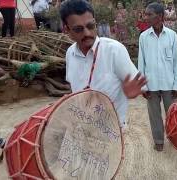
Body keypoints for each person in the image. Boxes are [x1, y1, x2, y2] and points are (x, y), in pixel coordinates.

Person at [60, 0, 147, 129]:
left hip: (111, 133)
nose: (87, 33)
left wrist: (130, 91)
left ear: (95, 23)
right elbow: (73, 87)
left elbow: (142, 88)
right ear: (66, 29)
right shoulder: (70, 53)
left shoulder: (114, 50)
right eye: (78, 29)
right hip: (81, 129)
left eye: (90, 26)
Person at [138, 2, 177, 152]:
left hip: (169, 84)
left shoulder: (172, 36)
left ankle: (175, 139)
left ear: (160, 16)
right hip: (151, 84)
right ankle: (158, 140)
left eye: (149, 14)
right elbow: (141, 63)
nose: (146, 17)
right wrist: (143, 86)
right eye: (146, 14)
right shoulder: (144, 37)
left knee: (173, 114)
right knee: (154, 115)